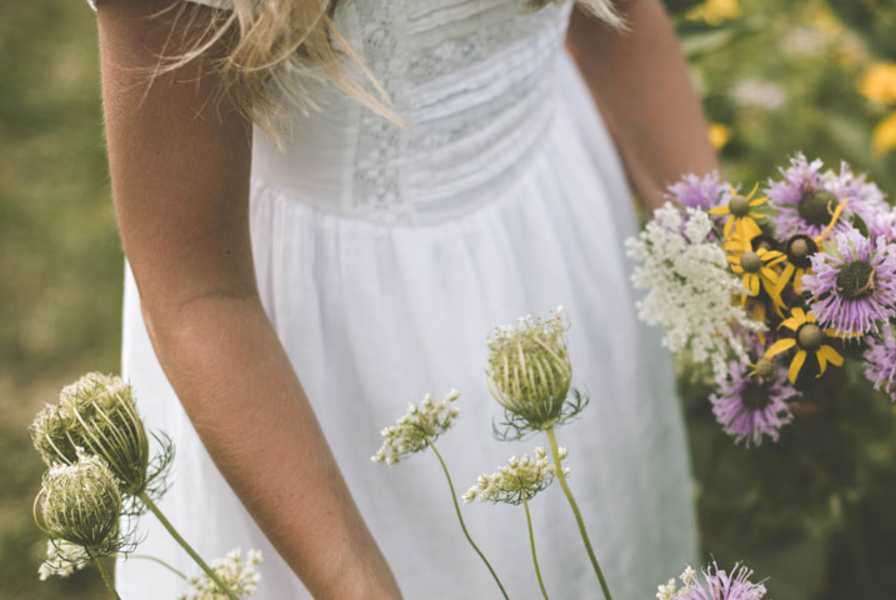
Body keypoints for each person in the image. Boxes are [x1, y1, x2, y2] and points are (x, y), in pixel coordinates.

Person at [90, 0, 711, 596]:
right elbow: (199, 291)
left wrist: (729, 264)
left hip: (563, 233)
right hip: (331, 359)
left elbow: (614, 17)